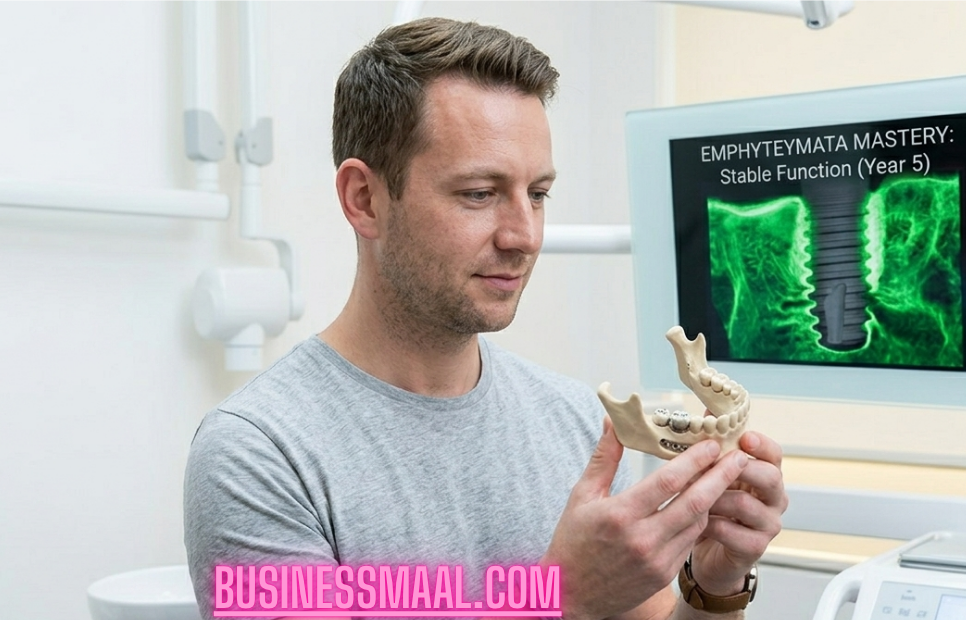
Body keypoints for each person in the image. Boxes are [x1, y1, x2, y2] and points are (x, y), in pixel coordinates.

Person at [184, 16, 787, 620]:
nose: (524, 236)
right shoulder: (257, 454)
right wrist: (563, 598)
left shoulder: (576, 422)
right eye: (479, 193)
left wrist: (713, 585)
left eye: (538, 194)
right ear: (364, 199)